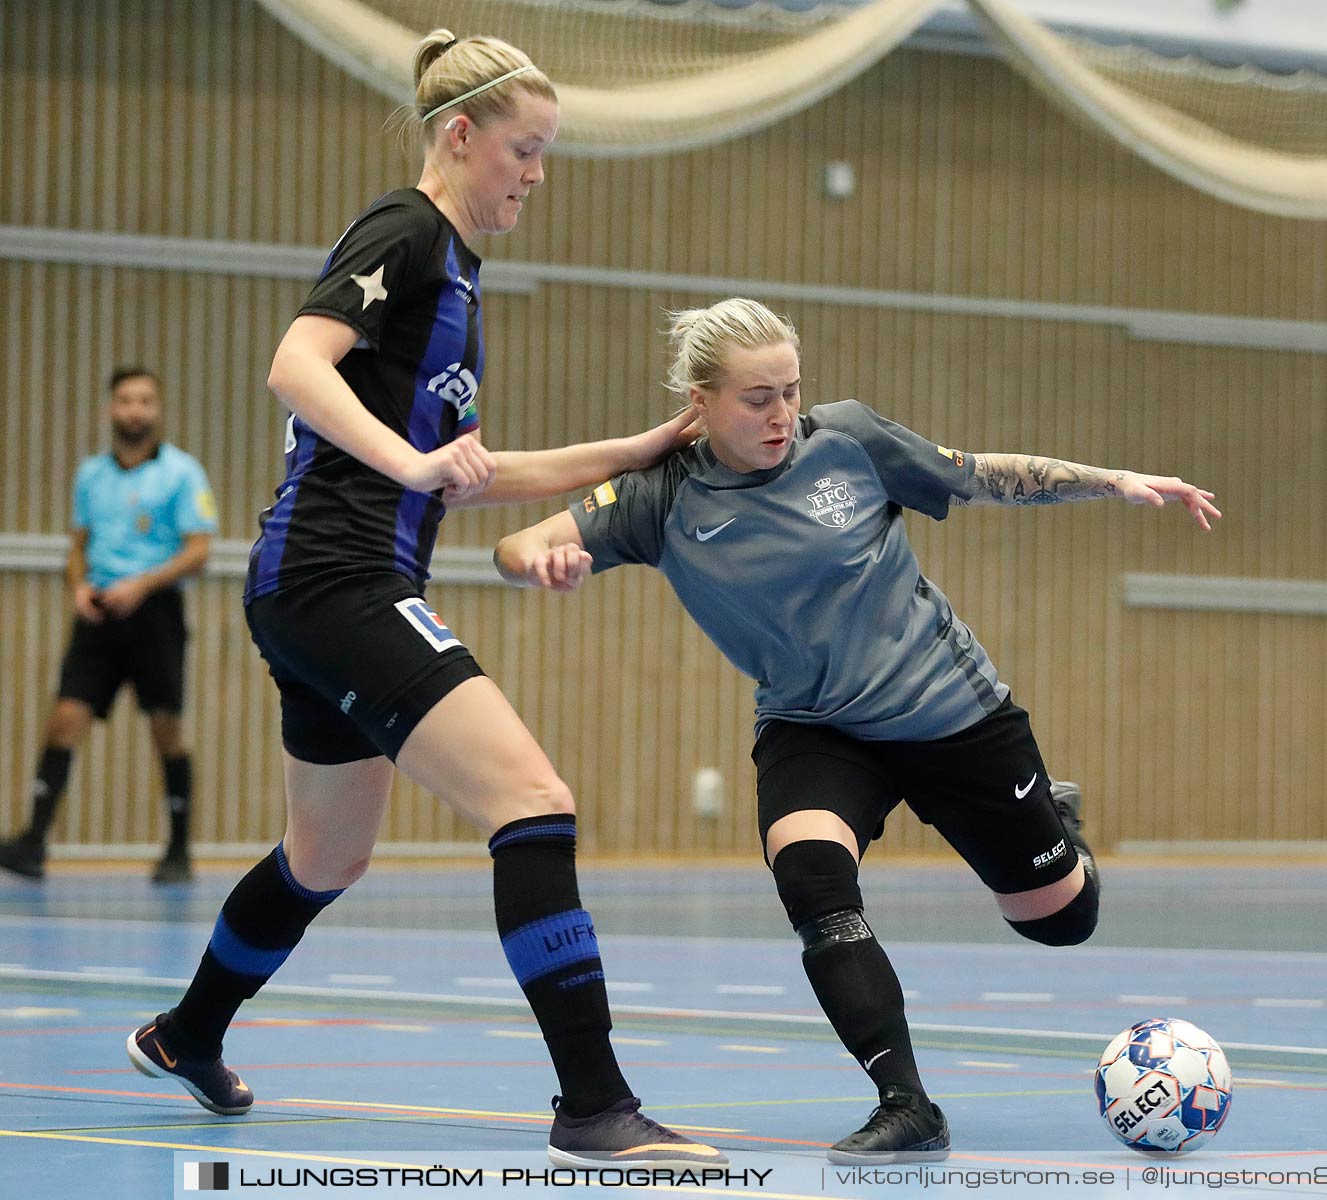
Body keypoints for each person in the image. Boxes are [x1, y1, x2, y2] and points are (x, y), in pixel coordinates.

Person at [122, 30, 726, 1169]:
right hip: (334, 580)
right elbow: (295, 366)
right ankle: (594, 1105)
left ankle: (188, 1032)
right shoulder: (404, 231)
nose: (535, 176)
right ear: (460, 135)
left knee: (325, 855)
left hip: (322, 590)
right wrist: (406, 465)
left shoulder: (459, 276)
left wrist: (639, 450)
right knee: (532, 801)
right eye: (523, 151)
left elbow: (478, 469)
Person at [495, 297, 1220, 1162]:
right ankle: (905, 1103)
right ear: (699, 402)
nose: (779, 414)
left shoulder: (846, 440)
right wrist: (543, 560)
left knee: (1058, 921)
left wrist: (1112, 480)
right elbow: (516, 543)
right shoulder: (661, 496)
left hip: (951, 715)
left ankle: (1058, 828)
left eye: (790, 391)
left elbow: (980, 472)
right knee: (810, 880)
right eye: (755, 397)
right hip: (814, 728)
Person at [0, 367, 217, 884]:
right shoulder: (91, 474)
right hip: (98, 615)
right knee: (64, 719)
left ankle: (178, 849)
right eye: (125, 400)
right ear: (111, 409)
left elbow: (200, 550)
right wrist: (79, 586)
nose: (135, 410)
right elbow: (77, 547)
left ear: (157, 410)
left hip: (155, 613)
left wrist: (142, 585)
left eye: (145, 400)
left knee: (166, 727)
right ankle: (33, 840)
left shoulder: (183, 473)